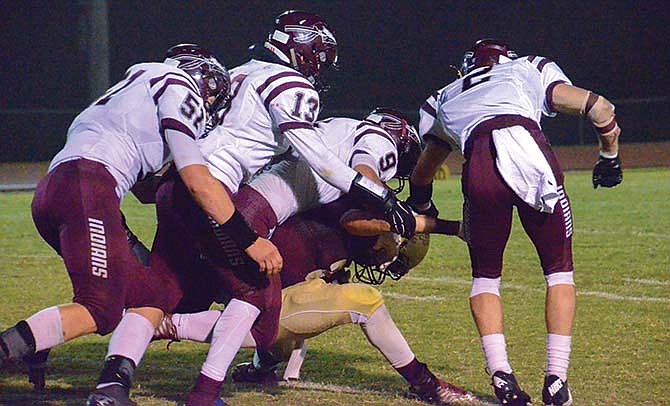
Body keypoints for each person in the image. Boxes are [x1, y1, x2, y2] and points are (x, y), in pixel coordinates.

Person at [0, 43, 284, 403]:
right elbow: (197, 178)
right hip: (90, 188)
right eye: (214, 96)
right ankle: (19, 347)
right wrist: (247, 239)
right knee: (99, 307)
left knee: (149, 295)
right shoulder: (178, 86)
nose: (211, 106)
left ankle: (112, 386)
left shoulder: (133, 85)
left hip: (57, 190)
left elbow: (145, 189)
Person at [406, 39, 622, 406]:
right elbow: (599, 107)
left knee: (485, 277)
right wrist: (609, 156)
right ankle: (556, 381)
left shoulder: (443, 96)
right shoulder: (528, 67)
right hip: (529, 153)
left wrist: (422, 203)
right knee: (559, 272)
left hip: (478, 166)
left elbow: (424, 170)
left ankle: (503, 378)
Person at [152, 200, 476, 406]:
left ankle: (258, 368)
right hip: (241, 268)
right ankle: (426, 384)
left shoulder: (343, 250)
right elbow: (352, 220)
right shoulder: (357, 217)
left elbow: (305, 313)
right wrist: (447, 227)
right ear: (394, 236)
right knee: (364, 300)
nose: (384, 265)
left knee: (293, 311)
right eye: (396, 259)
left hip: (247, 273)